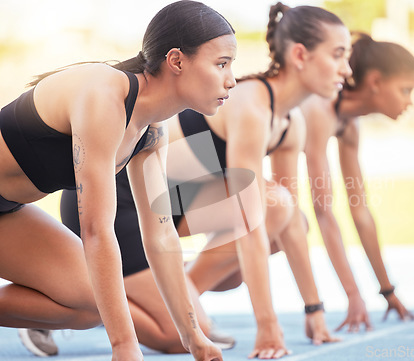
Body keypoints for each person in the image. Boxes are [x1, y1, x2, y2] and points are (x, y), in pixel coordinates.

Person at [39, 2, 351, 359]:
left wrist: (315, 310)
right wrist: (266, 326)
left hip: (173, 207)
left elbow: (288, 223)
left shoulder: (290, 123)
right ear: (300, 54)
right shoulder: (251, 106)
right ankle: (89, 301)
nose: (347, 68)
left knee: (280, 209)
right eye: (339, 54)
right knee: (177, 336)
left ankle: (174, 298)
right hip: (125, 203)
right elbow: (249, 226)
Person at [0, 1, 237, 360]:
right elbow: (96, 228)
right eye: (221, 64)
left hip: (8, 210)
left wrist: (193, 337)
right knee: (107, 303)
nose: (231, 79)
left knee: (93, 302)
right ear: (176, 61)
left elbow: (160, 235)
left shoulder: (152, 130)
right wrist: (124, 346)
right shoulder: (104, 95)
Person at [299, 32, 414, 332]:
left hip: (223, 175)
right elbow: (324, 210)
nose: (410, 102)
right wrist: (353, 297)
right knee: (284, 220)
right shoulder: (319, 108)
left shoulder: (349, 125)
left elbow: (360, 212)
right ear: (375, 81)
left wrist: (386, 290)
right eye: (405, 90)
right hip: (204, 155)